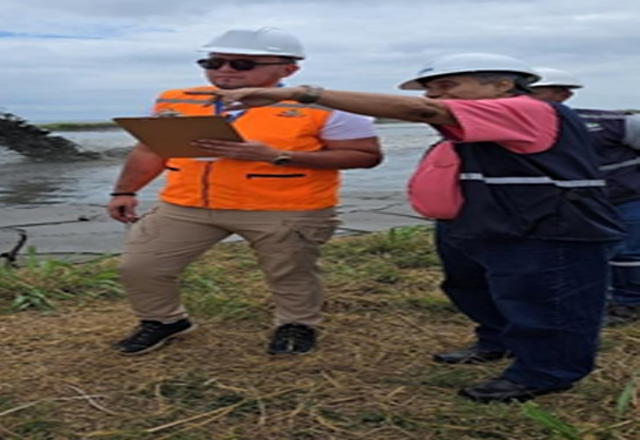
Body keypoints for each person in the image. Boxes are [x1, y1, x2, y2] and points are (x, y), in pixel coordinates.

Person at [200, 53, 625, 403]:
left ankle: (546, 372)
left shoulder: (526, 109)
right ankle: (497, 340)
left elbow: (420, 110)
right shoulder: (480, 121)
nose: (434, 95)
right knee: (474, 287)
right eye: (430, 86)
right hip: (481, 221)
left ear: (501, 84)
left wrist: (302, 94)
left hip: (546, 225)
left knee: (547, 299)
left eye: (448, 85)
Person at [106, 27, 382, 356]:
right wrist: (124, 191)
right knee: (141, 266)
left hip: (286, 207)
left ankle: (297, 323)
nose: (223, 70)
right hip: (187, 204)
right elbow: (151, 149)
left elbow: (367, 157)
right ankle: (163, 321)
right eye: (213, 62)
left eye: (242, 64)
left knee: (290, 271)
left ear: (289, 69)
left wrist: (278, 156)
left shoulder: (328, 106)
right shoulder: (176, 99)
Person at [530, 67, 640, 325]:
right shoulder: (514, 130)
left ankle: (629, 303)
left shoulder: (614, 123)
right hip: (568, 206)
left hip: (626, 200)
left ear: (563, 94)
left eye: (532, 92)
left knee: (627, 253)